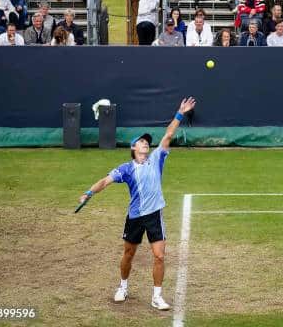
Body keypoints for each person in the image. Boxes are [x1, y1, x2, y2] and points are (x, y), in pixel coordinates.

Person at [78, 98, 196, 311]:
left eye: (146, 142)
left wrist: (180, 113)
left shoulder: (157, 158)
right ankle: (123, 286)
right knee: (129, 254)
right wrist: (89, 192)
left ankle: (156, 296)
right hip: (135, 217)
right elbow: (105, 181)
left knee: (160, 255)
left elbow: (168, 134)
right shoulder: (125, 168)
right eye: (141, 142)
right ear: (133, 148)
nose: (145, 143)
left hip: (154, 215)